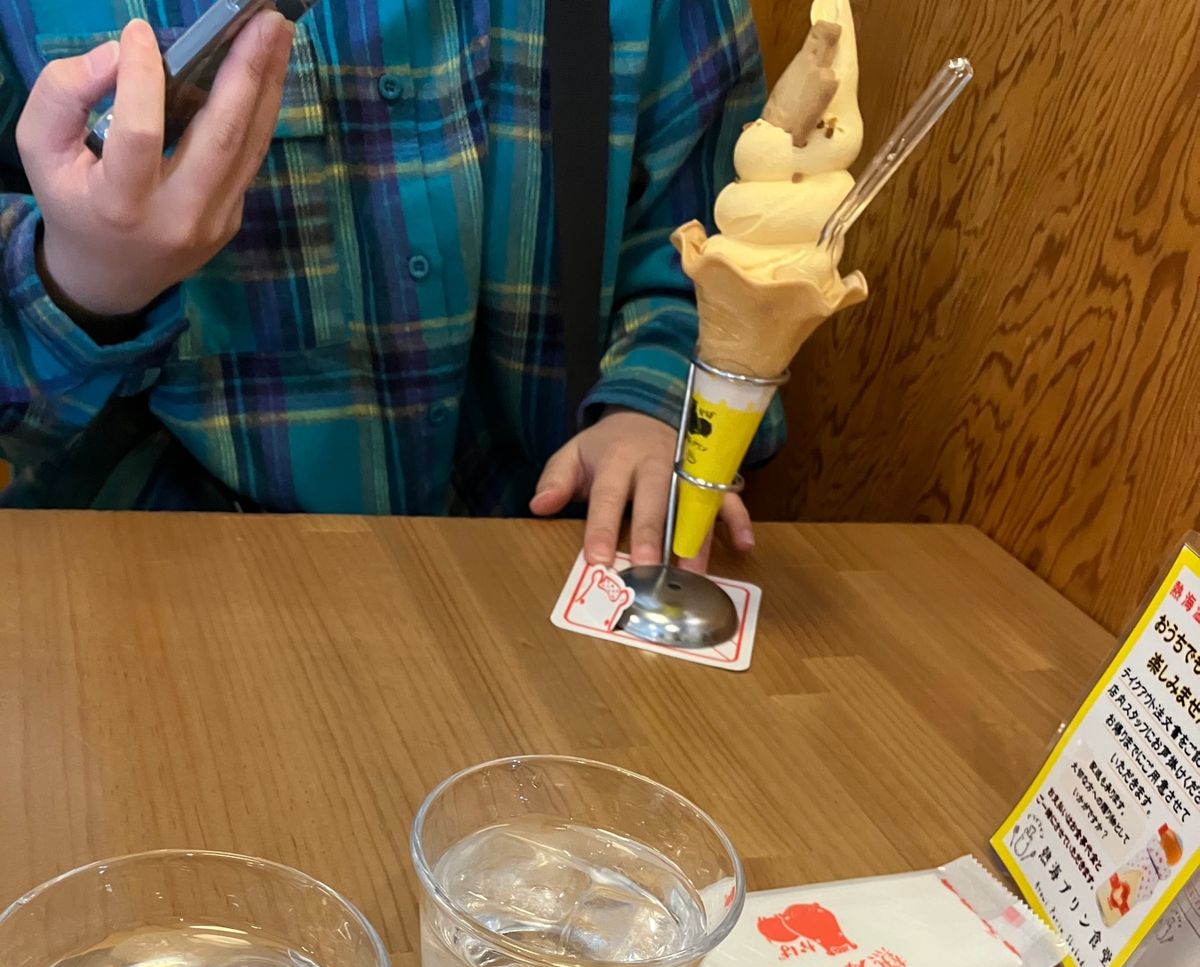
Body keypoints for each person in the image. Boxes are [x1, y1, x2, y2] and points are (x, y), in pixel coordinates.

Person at [0, 2, 783, 568]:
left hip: (548, 564)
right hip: (157, 576)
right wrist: (79, 286)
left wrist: (652, 405)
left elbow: (716, 245)